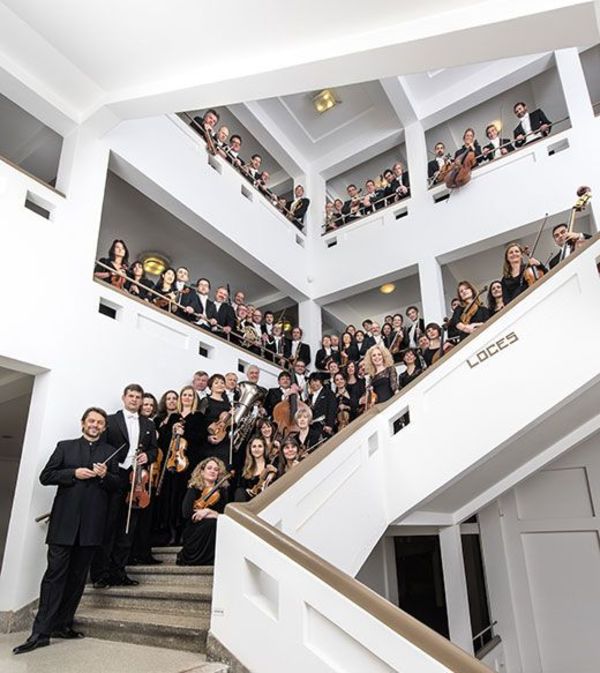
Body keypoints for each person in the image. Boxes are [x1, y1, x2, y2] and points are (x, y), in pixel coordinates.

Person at [13, 408, 120, 655]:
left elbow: (118, 487)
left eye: (100, 422)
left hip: (92, 527)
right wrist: (73, 473)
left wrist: (105, 476)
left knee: (77, 580)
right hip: (63, 526)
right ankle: (39, 634)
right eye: (91, 421)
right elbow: (46, 476)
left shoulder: (108, 453)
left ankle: (63, 625)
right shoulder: (65, 446)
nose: (95, 425)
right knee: (54, 578)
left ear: (104, 427)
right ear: (83, 423)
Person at [91, 384, 158, 589]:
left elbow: (154, 450)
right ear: (124, 397)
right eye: (131, 396)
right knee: (108, 527)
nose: (135, 400)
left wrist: (148, 455)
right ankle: (100, 575)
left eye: (138, 397)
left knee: (128, 529)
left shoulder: (148, 424)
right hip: (115, 476)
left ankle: (119, 572)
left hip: (136, 480)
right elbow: (101, 447)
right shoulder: (110, 420)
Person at [176, 457, 228, 566]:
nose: (213, 471)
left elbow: (225, 516)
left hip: (214, 528)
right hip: (194, 529)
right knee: (211, 523)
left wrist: (208, 511)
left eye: (216, 469)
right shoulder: (194, 488)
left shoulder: (222, 492)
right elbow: (186, 513)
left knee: (213, 524)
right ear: (202, 472)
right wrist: (212, 515)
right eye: (209, 468)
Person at [235, 437, 276, 501]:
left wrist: (276, 472)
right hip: (248, 503)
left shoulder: (271, 465)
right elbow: (240, 489)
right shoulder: (245, 469)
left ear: (264, 449)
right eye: (254, 446)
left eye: (260, 446)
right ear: (250, 450)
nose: (257, 449)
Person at [307, 373, 337, 438]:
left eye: (316, 381)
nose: (314, 384)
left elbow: (332, 409)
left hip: (324, 425)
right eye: (311, 382)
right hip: (313, 427)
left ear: (321, 381)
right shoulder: (310, 396)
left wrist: (329, 424)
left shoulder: (328, 393)